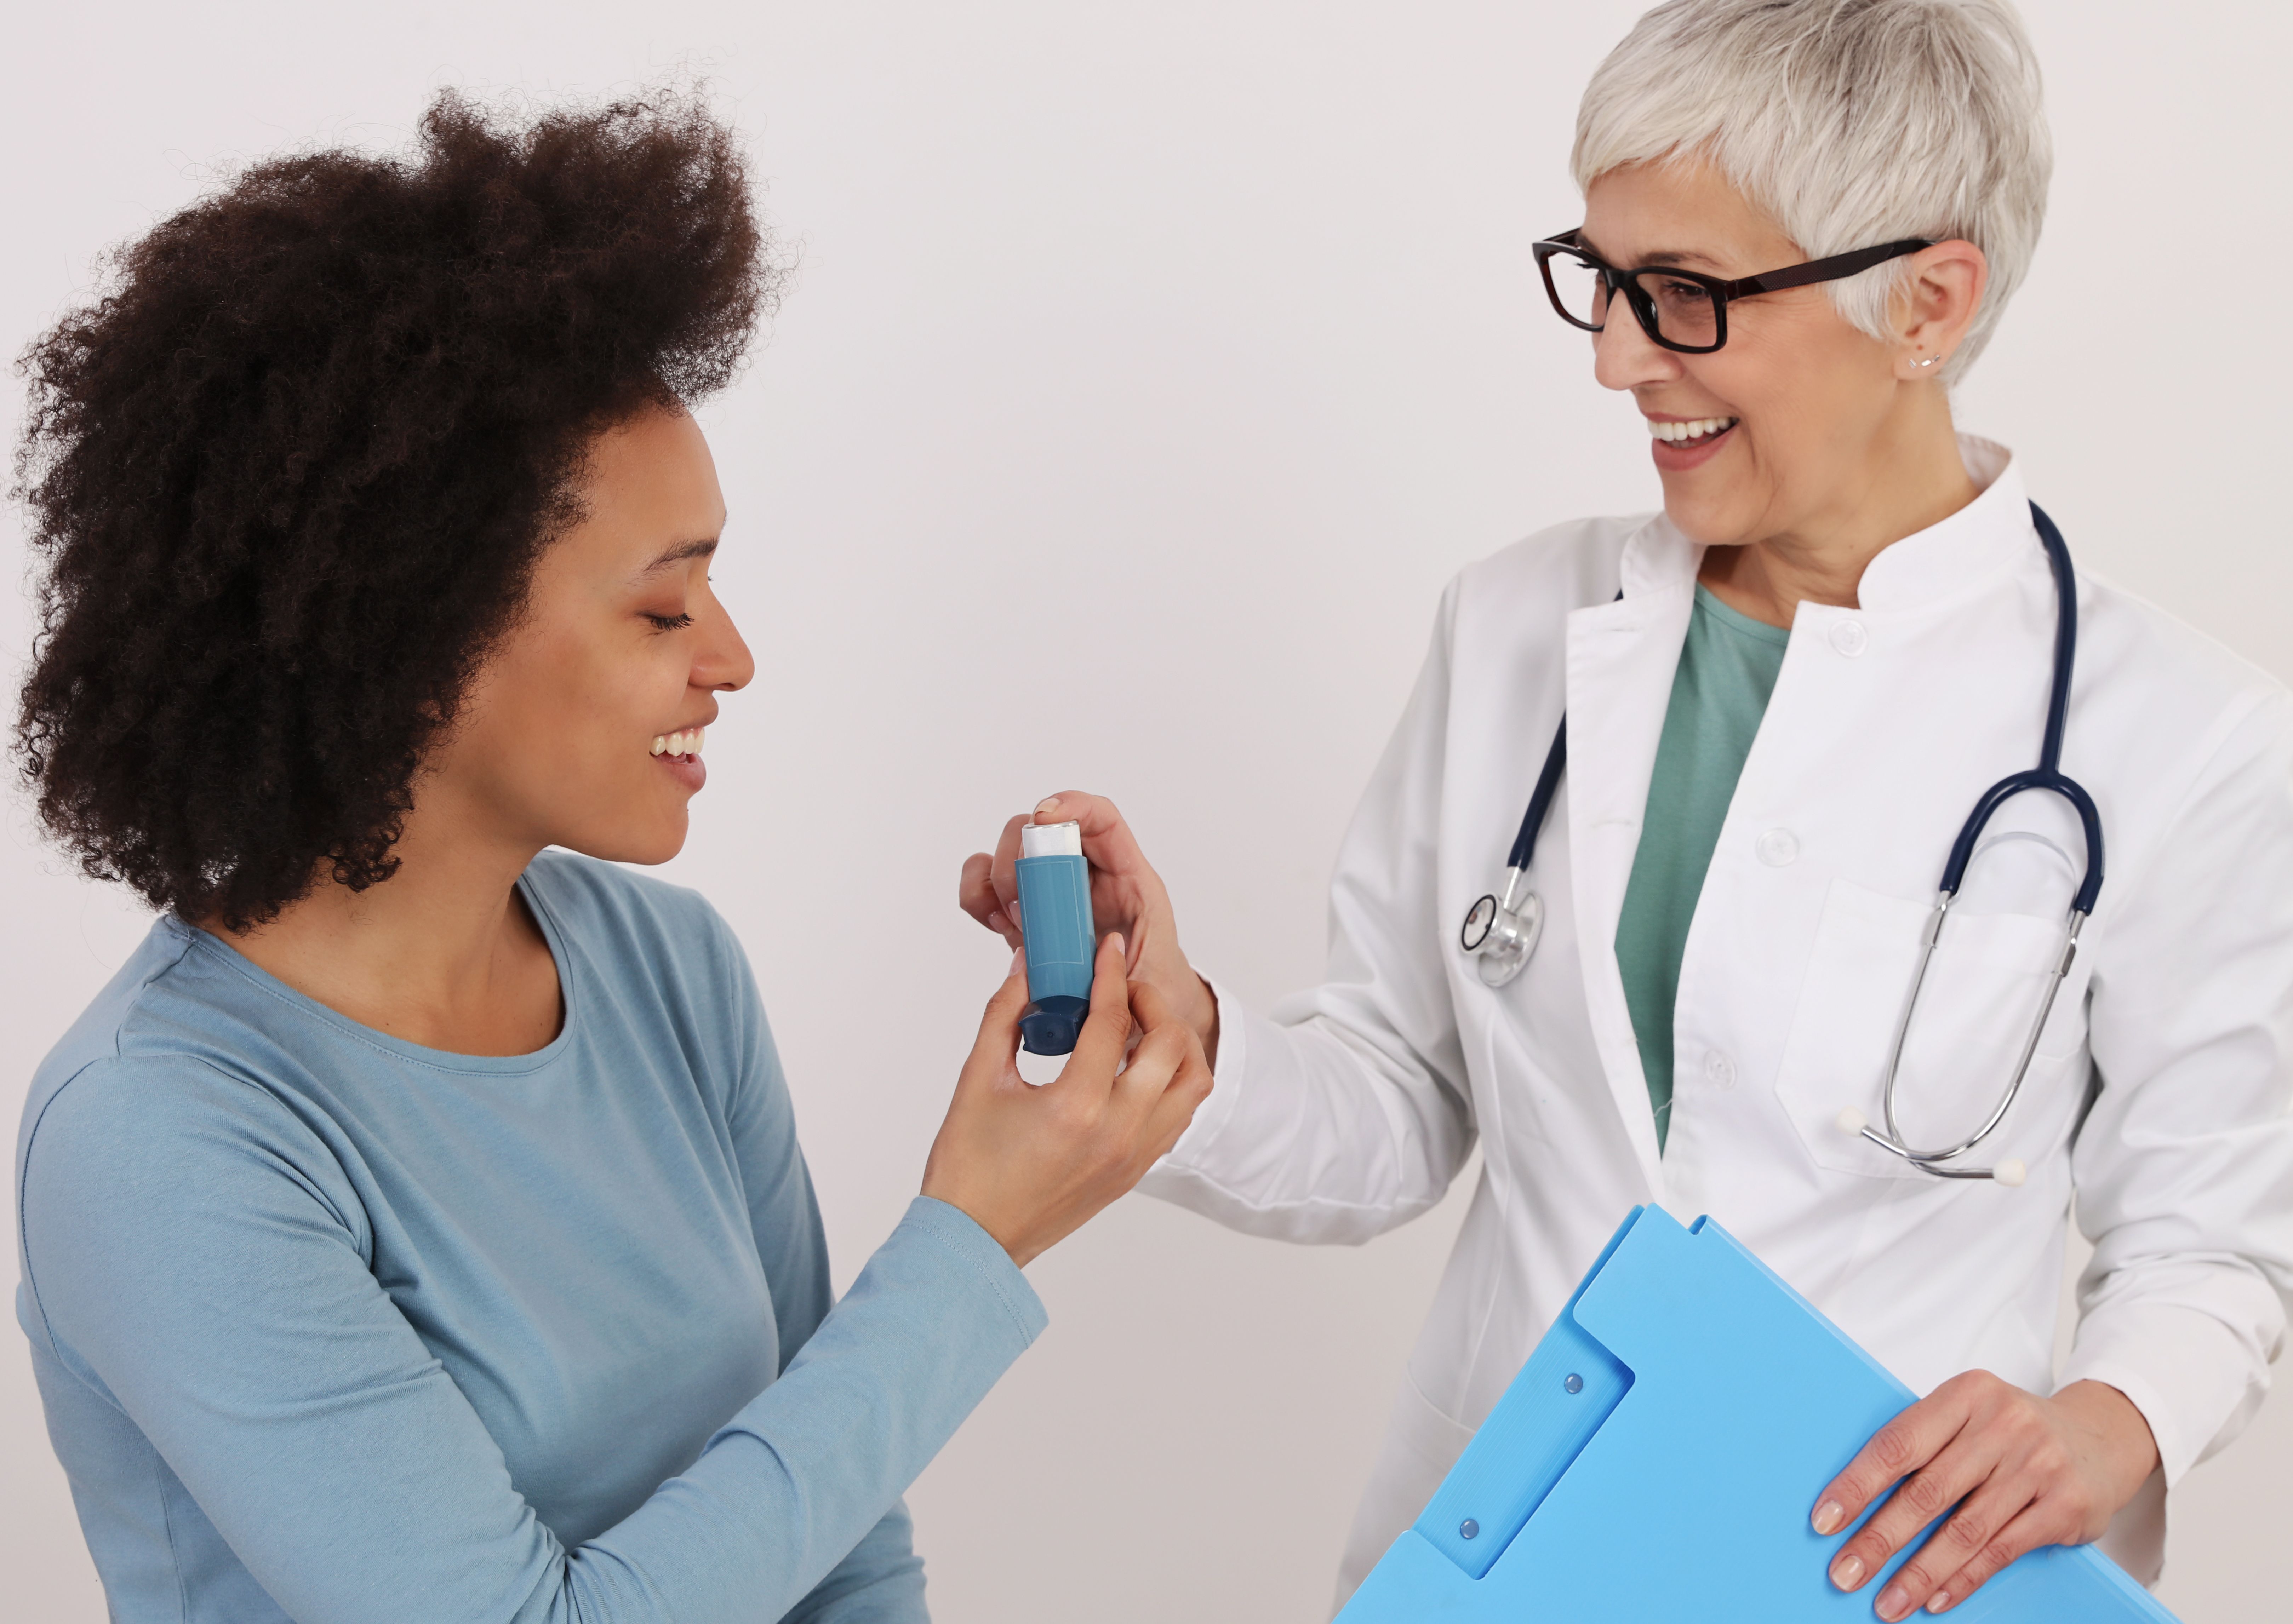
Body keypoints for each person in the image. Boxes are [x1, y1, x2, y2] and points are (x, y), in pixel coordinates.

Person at [961, 1, 2293, 1616]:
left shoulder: (2181, 735)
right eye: (1603, 280)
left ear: (1931, 303)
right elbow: (1396, 1100)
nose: (1614, 355)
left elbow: (2214, 1244)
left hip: (1871, 1571)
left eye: (1687, 296)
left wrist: (2109, 1420)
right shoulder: (1517, 626)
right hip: (1504, 1550)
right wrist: (1175, 1036)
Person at [11, 91, 1209, 1624]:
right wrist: (973, 1239)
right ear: (414, 634)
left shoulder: (669, 969)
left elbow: (846, 1541)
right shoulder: (164, 1133)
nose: (735, 657)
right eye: (663, 609)